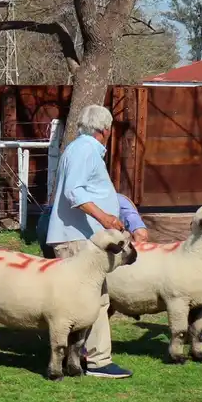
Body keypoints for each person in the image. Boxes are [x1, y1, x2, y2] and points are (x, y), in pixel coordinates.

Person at [40, 104, 133, 379]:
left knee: (82, 300)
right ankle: (98, 360)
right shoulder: (86, 150)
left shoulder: (80, 149)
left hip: (78, 236)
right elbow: (74, 191)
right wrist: (105, 219)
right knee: (94, 299)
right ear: (105, 130)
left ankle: (75, 357)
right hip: (79, 238)